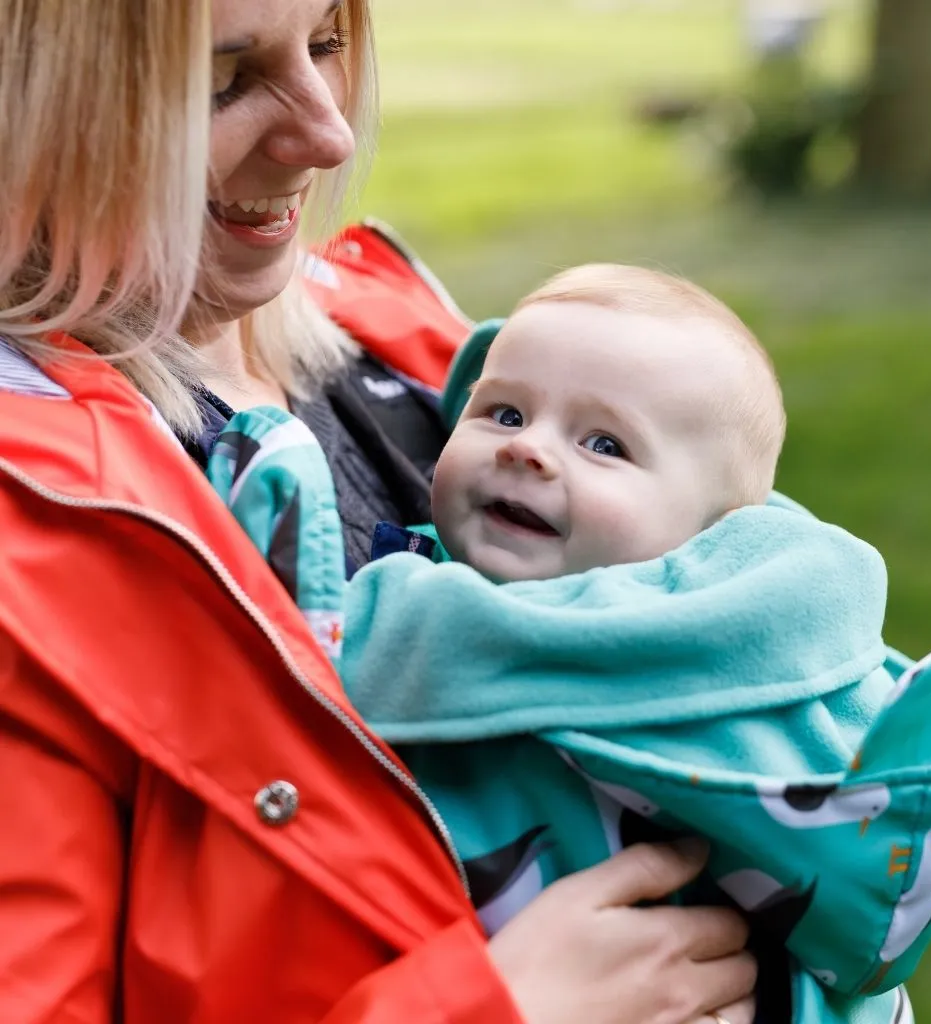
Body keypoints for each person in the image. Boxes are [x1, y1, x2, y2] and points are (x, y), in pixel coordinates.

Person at [0, 1, 762, 1022]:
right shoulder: (31, 542)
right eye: (220, 82)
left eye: (324, 42)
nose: (328, 132)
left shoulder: (390, 329)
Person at [207, 263, 931, 1023]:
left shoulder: (688, 636)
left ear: (709, 536)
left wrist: (296, 554)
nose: (528, 448)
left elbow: (360, 655)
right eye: (505, 412)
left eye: (605, 445)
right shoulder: (450, 558)